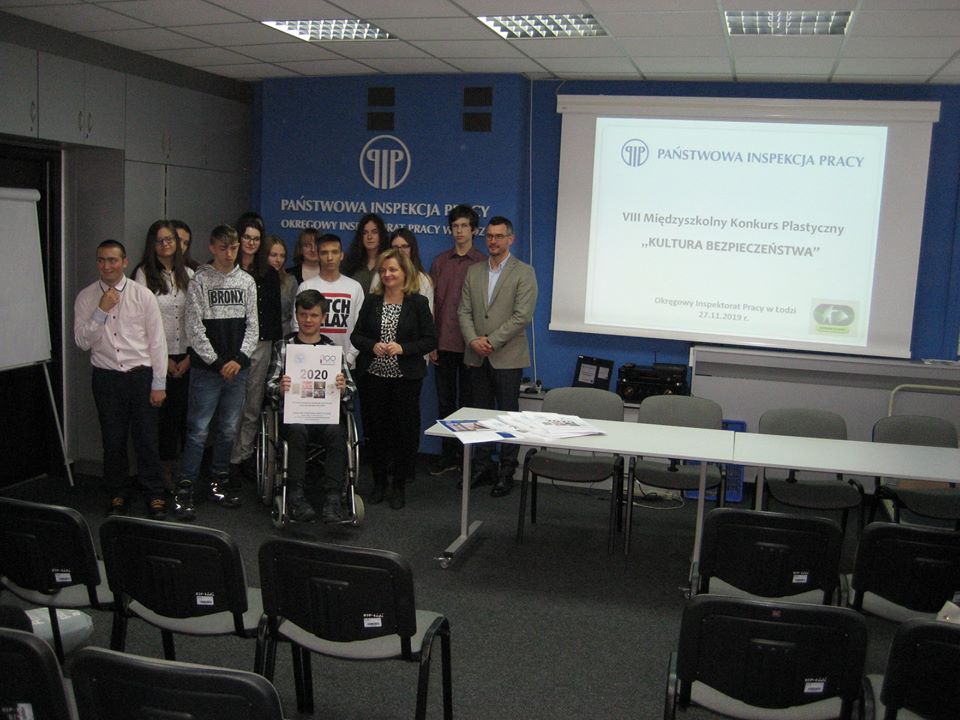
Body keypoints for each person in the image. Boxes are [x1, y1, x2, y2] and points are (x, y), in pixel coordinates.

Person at [74, 240, 168, 518]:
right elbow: (82, 341)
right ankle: (117, 492)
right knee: (113, 440)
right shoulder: (86, 297)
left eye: (113, 260)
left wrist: (159, 384)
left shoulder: (143, 296)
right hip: (106, 379)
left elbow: (157, 342)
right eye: (101, 260)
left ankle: (154, 493)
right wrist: (101, 310)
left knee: (146, 439)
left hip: (140, 377)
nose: (107, 266)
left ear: (124, 262)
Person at [175, 225, 258, 521]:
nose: (229, 253)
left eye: (233, 247)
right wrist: (218, 363)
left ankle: (218, 480)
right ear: (212, 248)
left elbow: (253, 327)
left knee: (228, 429)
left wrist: (238, 359)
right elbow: (194, 328)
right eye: (223, 248)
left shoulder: (247, 281)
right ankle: (185, 487)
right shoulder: (200, 280)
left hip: (237, 370)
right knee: (198, 430)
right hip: (207, 371)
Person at [458, 215, 538, 497]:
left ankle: (506, 471)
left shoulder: (524, 272)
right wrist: (473, 340)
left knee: (507, 416)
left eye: (499, 236)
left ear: (510, 239)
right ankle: (482, 466)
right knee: (480, 414)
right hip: (476, 355)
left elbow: (522, 316)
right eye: (489, 236)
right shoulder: (474, 271)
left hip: (507, 356)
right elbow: (463, 311)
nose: (493, 241)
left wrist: (490, 341)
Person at [351, 249, 436, 510]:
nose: (388, 274)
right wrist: (372, 346)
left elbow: (430, 340)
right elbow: (356, 336)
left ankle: (398, 486)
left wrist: (403, 349)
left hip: (405, 379)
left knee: (403, 432)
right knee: (376, 432)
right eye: (384, 270)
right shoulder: (371, 301)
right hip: (373, 377)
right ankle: (379, 484)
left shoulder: (418, 303)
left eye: (393, 270)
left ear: (404, 272)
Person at [265, 290, 352, 522]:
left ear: (323, 317)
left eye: (314, 315)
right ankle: (295, 495)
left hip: (325, 416)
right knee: (296, 431)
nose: (308, 320)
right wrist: (279, 388)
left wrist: (343, 388)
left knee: (337, 433)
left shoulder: (332, 349)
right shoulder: (284, 346)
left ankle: (333, 497)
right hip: (295, 416)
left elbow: (351, 389)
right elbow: (269, 385)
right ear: (296, 315)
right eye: (303, 314)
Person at [132, 220, 194, 492]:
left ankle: (181, 471)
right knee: (160, 420)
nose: (166, 244)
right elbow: (139, 322)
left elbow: (196, 319)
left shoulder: (189, 274)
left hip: (187, 357)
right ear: (152, 244)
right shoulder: (144, 274)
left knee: (182, 418)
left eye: (170, 239)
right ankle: (160, 474)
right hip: (157, 358)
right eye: (160, 240)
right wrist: (164, 359)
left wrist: (190, 356)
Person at [428, 204, 485, 475]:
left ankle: (467, 458)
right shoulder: (440, 262)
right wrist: (431, 342)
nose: (459, 231)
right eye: (455, 226)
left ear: (474, 230)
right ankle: (448, 455)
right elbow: (431, 304)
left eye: (464, 226)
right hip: (443, 342)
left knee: (469, 404)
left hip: (472, 344)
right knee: (445, 402)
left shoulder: (483, 262)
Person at [229, 216, 283, 487]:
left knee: (252, 405)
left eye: (256, 239)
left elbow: (273, 313)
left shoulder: (268, 273)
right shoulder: (227, 269)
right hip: (232, 345)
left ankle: (243, 456)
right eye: (247, 237)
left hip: (261, 345)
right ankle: (224, 459)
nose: (251, 243)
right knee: (231, 406)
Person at [297, 234, 364, 368]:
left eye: (334, 252)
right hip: (310, 362)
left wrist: (349, 359)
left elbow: (361, 328)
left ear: (341, 255)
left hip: (346, 363)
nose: (329, 257)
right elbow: (297, 325)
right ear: (318, 256)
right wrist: (306, 356)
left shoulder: (355, 287)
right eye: (324, 253)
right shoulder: (306, 286)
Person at [371, 228, 434, 313]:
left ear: (412, 249)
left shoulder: (423, 280)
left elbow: (427, 316)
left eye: (404, 247)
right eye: (395, 247)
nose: (400, 251)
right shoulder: (380, 276)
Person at [342, 213, 389, 292]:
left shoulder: (388, 261)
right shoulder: (351, 263)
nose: (369, 237)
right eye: (365, 233)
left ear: (381, 235)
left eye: (374, 232)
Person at [265, 235, 298, 335]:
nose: (278, 260)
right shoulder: (255, 279)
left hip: (284, 335)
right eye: (273, 255)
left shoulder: (290, 281)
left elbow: (295, 314)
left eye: (282, 256)